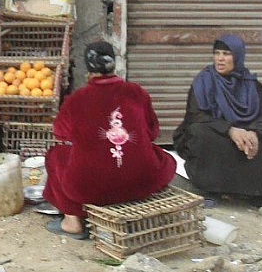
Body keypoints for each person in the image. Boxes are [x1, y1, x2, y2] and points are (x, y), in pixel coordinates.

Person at [41, 40, 177, 239]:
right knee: (160, 156)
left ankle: (72, 221)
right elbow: (152, 132)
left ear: (88, 69)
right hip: (142, 183)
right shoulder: (137, 92)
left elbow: (60, 134)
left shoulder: (76, 100)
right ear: (114, 63)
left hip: (92, 189)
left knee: (55, 156)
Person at [172, 34, 262, 218]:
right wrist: (230, 129)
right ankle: (212, 190)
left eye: (226, 54)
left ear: (238, 56)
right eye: (217, 53)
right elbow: (196, 115)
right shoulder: (203, 82)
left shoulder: (251, 84)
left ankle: (261, 194)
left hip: (246, 139)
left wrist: (254, 133)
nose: (220, 58)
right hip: (219, 134)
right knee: (199, 133)